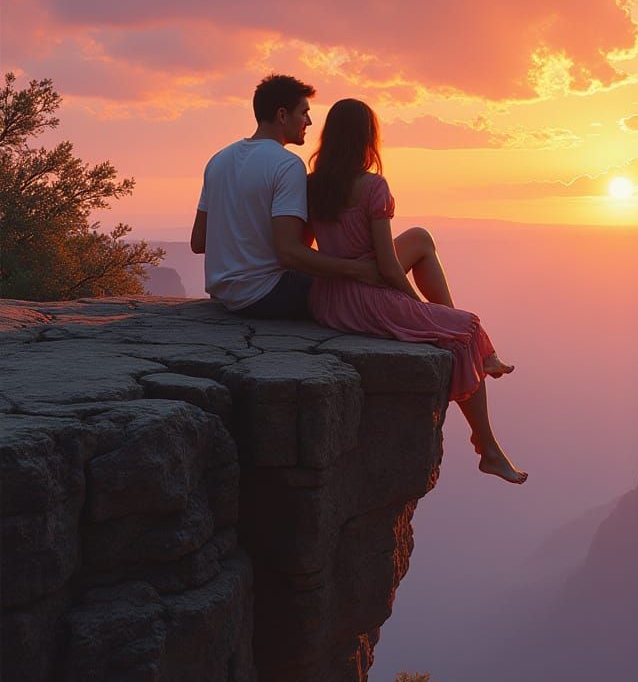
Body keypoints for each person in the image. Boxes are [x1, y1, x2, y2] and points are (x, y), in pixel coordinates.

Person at [307, 98, 528, 486]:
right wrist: (410, 304)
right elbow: (388, 265)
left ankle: (484, 354)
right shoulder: (372, 186)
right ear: (367, 138)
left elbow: (315, 247)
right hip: (365, 297)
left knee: (421, 238)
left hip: (328, 298)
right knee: (465, 329)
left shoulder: (313, 185)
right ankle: (488, 449)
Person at [190, 74, 382, 318]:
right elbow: (289, 252)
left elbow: (199, 241)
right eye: (303, 113)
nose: (309, 122)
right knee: (356, 291)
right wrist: (356, 269)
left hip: (224, 295)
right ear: (282, 115)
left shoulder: (218, 160)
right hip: (269, 294)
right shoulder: (287, 165)